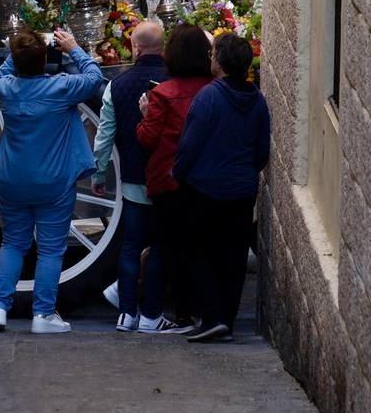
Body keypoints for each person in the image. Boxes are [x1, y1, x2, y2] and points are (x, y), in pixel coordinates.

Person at [0, 28, 103, 334]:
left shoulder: (5, 90)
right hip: (53, 180)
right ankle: (43, 314)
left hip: (11, 179)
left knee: (13, 243)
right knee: (51, 250)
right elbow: (94, 77)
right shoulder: (61, 87)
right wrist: (73, 47)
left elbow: (0, 76)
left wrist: (20, 50)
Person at [173, 32, 270, 343]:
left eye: (213, 54)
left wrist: (179, 171)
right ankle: (225, 319)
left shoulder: (209, 96)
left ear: (220, 62)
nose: (209, 58)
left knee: (194, 249)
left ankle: (212, 316)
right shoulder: (257, 100)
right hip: (242, 189)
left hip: (205, 186)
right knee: (233, 254)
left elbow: (191, 142)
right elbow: (261, 151)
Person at [90, 21, 183, 334]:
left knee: (130, 246)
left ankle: (127, 313)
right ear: (163, 47)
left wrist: (100, 172)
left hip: (132, 178)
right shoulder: (175, 83)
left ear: (135, 48)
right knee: (160, 246)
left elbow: (105, 135)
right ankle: (151, 314)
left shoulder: (117, 85)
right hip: (168, 180)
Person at [135, 22, 215, 333]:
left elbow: (147, 138)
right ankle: (191, 311)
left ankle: (152, 312)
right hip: (201, 180)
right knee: (196, 247)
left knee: (165, 246)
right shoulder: (212, 90)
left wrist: (144, 117)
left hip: (165, 180)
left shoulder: (163, 93)